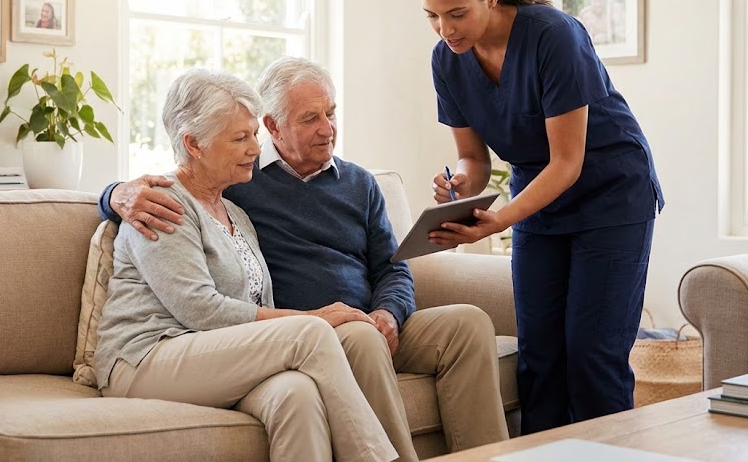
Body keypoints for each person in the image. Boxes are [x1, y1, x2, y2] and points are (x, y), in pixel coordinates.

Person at [100, 57, 509, 460]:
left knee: (463, 324)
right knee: (331, 336)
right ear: (273, 126)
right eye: (310, 118)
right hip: (200, 344)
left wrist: (388, 312)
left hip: (327, 327)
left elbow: (391, 267)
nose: (327, 129)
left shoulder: (243, 207)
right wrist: (114, 194)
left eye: (331, 113)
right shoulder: (223, 186)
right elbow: (196, 295)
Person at [415, 0, 664, 435]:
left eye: (457, 13)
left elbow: (568, 162)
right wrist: (459, 186)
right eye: (433, 17)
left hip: (610, 194)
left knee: (593, 353)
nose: (446, 30)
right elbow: (472, 157)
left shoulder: (554, 35)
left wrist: (497, 222)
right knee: (540, 355)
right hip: (539, 201)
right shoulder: (447, 60)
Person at [94, 68, 398, 462]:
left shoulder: (236, 212)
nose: (256, 147)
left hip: (210, 354)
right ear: (194, 144)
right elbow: (200, 308)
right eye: (240, 138)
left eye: (254, 134)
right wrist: (317, 317)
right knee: (309, 333)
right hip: (146, 357)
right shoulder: (162, 203)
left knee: (297, 393)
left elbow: (255, 297)